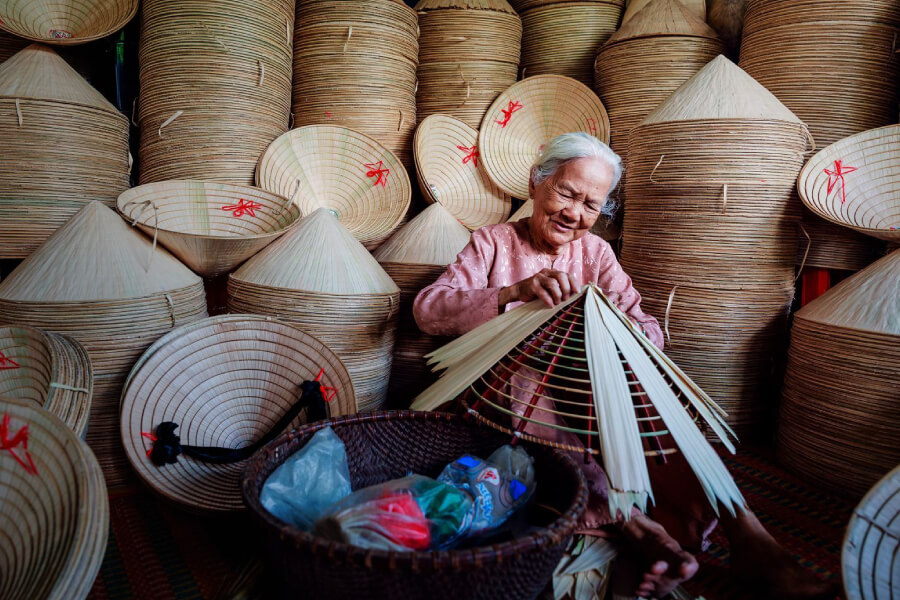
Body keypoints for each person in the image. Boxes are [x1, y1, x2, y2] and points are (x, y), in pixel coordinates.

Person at [413, 132, 837, 600]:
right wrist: (514, 293)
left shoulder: (597, 254)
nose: (575, 213)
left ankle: (750, 536)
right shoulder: (492, 242)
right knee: (535, 387)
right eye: (566, 193)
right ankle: (633, 526)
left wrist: (612, 325)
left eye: (592, 205)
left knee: (658, 409)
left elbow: (649, 331)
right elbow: (429, 310)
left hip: (590, 385)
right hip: (505, 389)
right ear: (537, 183)